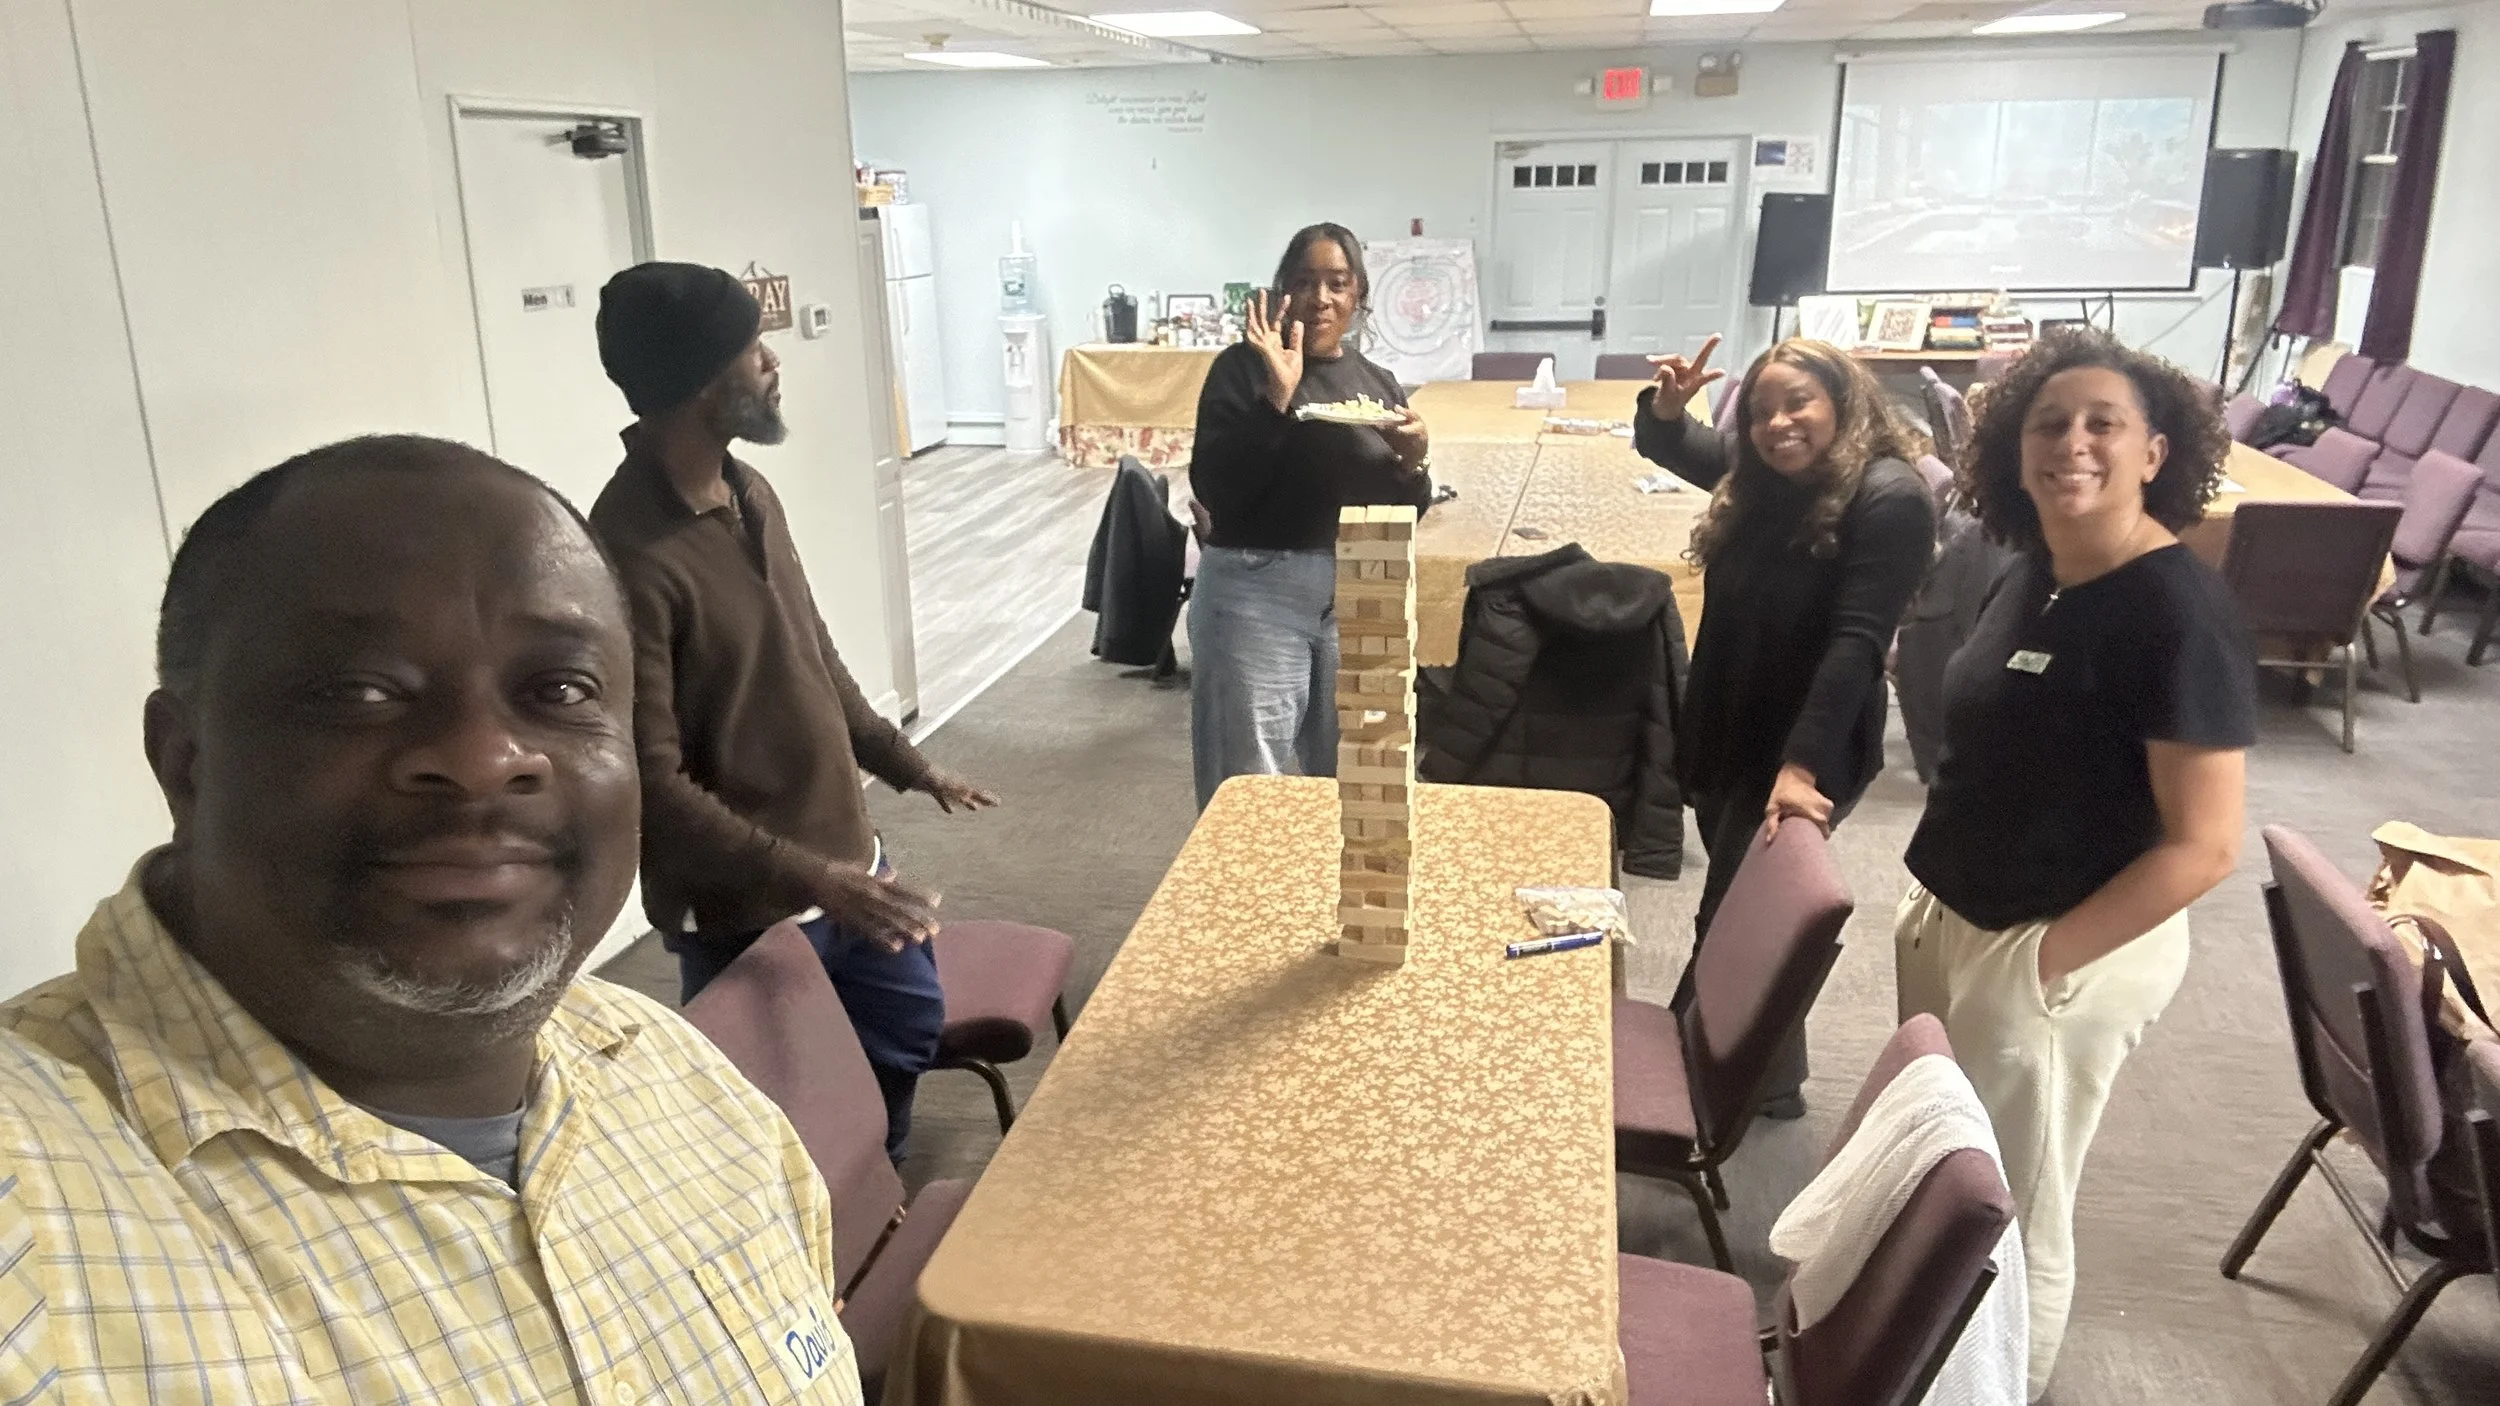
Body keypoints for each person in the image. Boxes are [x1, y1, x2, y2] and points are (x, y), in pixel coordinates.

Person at [0, 436, 866, 1401]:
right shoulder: (31, 1232)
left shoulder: (688, 1088)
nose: (483, 756)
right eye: (360, 691)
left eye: (562, 690)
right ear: (187, 762)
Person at [1893, 329, 2253, 1399]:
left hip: (2065, 946)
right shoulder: (2029, 572)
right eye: (2049, 423)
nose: (2073, 444)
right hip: (1962, 910)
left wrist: (2042, 962)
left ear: (2155, 451)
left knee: (2013, 1207)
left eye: (2105, 423)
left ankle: (1994, 1386)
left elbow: (2207, 842)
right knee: (1941, 1166)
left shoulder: (2176, 609)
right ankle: (1914, 1360)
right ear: (2012, 448)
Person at [588, 261, 992, 1162]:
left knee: (903, 1044)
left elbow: (812, 655)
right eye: (752, 350)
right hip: (752, 910)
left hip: (851, 868)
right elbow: (650, 780)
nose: (774, 363)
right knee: (789, 1126)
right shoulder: (625, 552)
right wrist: (815, 881)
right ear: (699, 381)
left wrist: (905, 762)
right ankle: (832, 1267)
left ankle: (872, 1211)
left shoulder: (749, 493)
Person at [1634, 335, 1935, 1116]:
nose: (1777, 424)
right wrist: (1666, 411)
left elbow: (1857, 645)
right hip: (1731, 727)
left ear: (1844, 400)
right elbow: (1677, 444)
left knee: (1732, 920)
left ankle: (1682, 1090)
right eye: (1762, 410)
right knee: (1749, 909)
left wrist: (1799, 770)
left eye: (1797, 402)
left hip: (1803, 744)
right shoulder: (1768, 478)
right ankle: (1770, 1083)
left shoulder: (1888, 496)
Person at [1186, 223, 1434, 809]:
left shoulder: (1376, 383)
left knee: (1360, 785)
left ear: (1358, 296)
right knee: (1250, 786)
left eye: (1337, 283)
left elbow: (1401, 511)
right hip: (1255, 594)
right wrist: (1276, 400)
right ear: (1282, 292)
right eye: (1305, 281)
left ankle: (1325, 899)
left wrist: (1414, 465)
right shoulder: (1240, 371)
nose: (1321, 297)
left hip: (1359, 590)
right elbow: (1217, 490)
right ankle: (1247, 899)